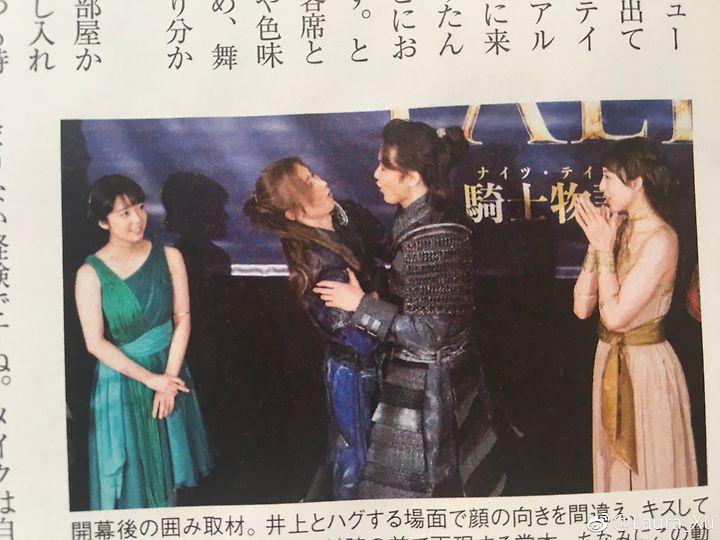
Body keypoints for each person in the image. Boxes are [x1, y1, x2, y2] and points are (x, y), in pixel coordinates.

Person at [314, 119, 505, 498]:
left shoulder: (436, 234)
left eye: (385, 167)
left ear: (413, 176)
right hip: (419, 375)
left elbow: (433, 333)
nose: (376, 174)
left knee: (427, 494)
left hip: (432, 389)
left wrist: (361, 306)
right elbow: (397, 262)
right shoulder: (419, 212)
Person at [244, 157, 385, 500]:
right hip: (354, 376)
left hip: (367, 370)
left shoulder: (339, 221)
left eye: (314, 175)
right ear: (293, 214)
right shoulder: (321, 264)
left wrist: (370, 299)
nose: (322, 182)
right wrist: (373, 300)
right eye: (308, 183)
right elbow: (359, 340)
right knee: (355, 460)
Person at [76, 174, 213, 510]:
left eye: (139, 207)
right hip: (123, 379)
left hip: (171, 369)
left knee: (170, 470)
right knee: (131, 479)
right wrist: (152, 380)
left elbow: (182, 318)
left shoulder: (169, 256)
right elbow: (95, 343)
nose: (137, 219)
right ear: (103, 221)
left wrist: (168, 380)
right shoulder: (90, 273)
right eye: (124, 213)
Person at [573, 137, 697, 491]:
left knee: (651, 469)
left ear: (637, 182)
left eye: (608, 177)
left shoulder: (662, 239)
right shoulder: (617, 228)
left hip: (645, 368)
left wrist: (603, 248)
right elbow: (582, 308)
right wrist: (595, 247)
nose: (601, 187)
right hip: (608, 359)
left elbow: (615, 318)